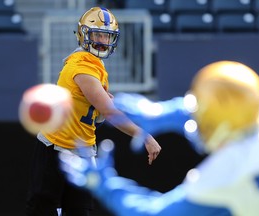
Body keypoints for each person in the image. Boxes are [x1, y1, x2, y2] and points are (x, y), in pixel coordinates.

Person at [60, 60, 259, 216]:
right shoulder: (257, 115)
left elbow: (154, 213)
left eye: (205, 121)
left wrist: (105, 186)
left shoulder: (225, 174)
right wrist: (162, 112)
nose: (199, 124)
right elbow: (227, 108)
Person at [25, 6, 161, 216]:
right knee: (43, 210)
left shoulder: (93, 65)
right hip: (55, 148)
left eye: (106, 36)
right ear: (83, 34)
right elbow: (110, 113)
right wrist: (143, 135)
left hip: (84, 150)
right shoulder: (81, 67)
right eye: (97, 34)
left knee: (80, 211)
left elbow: (95, 113)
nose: (102, 41)